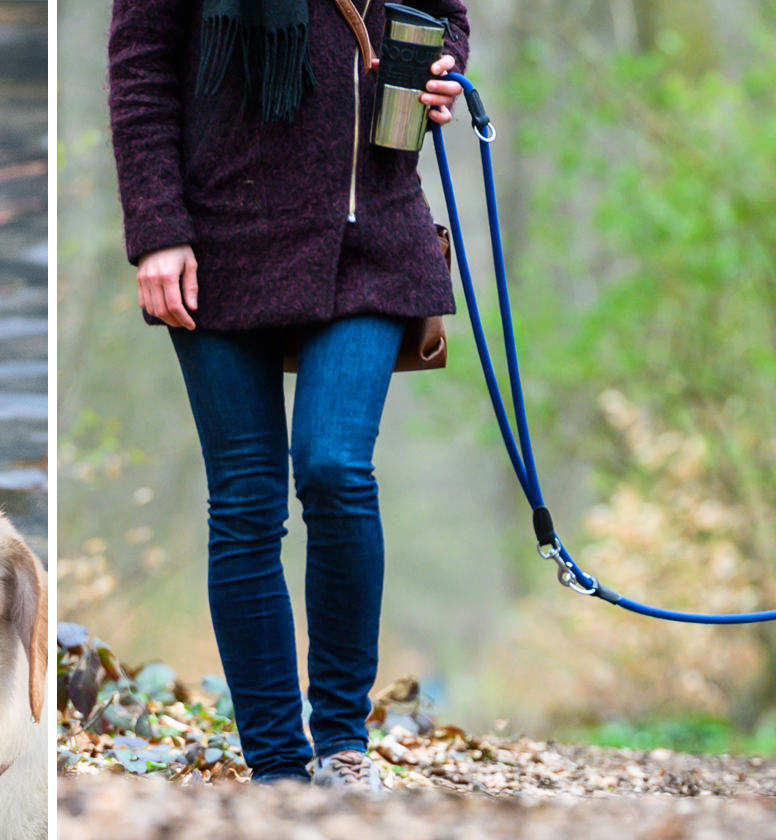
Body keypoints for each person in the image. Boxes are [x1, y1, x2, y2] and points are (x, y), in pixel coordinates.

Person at [108, 0, 469, 789]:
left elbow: (442, 13)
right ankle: (276, 767)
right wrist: (157, 228)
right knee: (244, 501)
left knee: (336, 469)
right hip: (219, 238)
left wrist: (446, 73)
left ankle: (341, 744)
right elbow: (140, 70)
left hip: (369, 236)